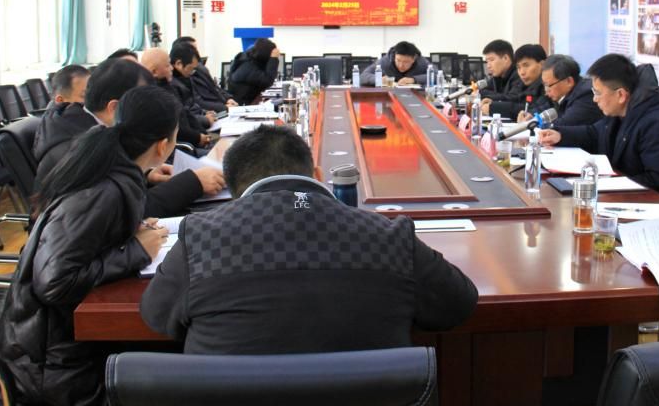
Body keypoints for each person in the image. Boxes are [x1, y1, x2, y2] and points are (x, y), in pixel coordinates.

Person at [140, 125, 479, 355]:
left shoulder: (200, 237)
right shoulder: (389, 237)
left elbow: (156, 316)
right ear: (317, 175)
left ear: (232, 188)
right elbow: (458, 304)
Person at [0, 86, 178, 406]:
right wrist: (135, 251)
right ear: (163, 145)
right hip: (51, 366)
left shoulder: (111, 171)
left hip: (60, 346)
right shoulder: (103, 191)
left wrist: (131, 236)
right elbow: (54, 282)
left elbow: (81, 244)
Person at [33, 57, 222, 216]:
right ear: (115, 107)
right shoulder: (78, 147)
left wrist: (146, 174)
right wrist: (192, 183)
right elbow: (126, 212)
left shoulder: (88, 127)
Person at [539, 54, 659, 194]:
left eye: (598, 93)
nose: (594, 99)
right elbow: (594, 133)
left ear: (621, 95)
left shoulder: (658, 124)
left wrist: (609, 183)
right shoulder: (619, 113)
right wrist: (560, 135)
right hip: (623, 195)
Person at [141, 47, 213, 152]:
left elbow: (185, 114)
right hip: (180, 149)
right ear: (154, 72)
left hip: (192, 141)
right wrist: (197, 137)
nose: (172, 68)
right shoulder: (155, 96)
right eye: (167, 65)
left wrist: (202, 134)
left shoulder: (168, 87)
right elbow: (176, 128)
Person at [528, 54, 602, 127]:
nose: (546, 91)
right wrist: (530, 115)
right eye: (544, 84)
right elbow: (545, 107)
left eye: (548, 85)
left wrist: (535, 124)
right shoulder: (559, 94)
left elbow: (563, 125)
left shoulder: (586, 95)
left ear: (569, 81)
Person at [172, 36, 237, 112]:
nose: (196, 53)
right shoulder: (183, 78)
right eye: (193, 49)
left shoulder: (200, 69)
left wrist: (228, 98)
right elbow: (197, 102)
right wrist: (224, 107)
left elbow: (215, 88)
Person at [484, 44, 546, 117]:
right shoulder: (525, 84)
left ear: (542, 64)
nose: (522, 72)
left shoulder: (547, 86)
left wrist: (495, 108)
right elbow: (514, 98)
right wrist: (492, 100)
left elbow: (532, 109)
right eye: (518, 67)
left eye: (526, 65)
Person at [227, 37, 280, 105]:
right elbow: (268, 81)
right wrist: (273, 59)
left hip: (248, 101)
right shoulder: (248, 67)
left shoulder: (250, 58)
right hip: (241, 105)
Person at [361, 41, 430, 86]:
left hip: (415, 95)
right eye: (398, 60)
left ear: (414, 59)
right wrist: (378, 79)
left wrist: (414, 79)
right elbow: (363, 76)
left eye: (406, 62)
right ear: (395, 56)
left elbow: (434, 75)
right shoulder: (385, 61)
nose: (401, 65)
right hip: (389, 95)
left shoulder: (421, 62)